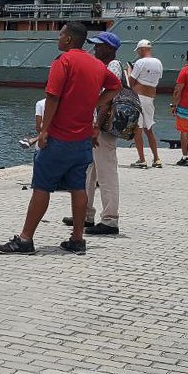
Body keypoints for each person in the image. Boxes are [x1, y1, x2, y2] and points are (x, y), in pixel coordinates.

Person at [0, 22, 121, 255]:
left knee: (42, 187)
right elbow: (116, 87)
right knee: (78, 187)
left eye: (61, 34)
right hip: (82, 139)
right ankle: (77, 239)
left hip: (59, 137)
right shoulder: (97, 65)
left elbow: (52, 98)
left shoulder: (62, 62)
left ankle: (25, 240)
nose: (58, 37)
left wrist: (43, 131)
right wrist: (95, 102)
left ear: (69, 39)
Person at [60, 31, 123, 235]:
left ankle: (110, 219)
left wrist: (96, 125)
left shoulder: (112, 66)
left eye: (99, 45)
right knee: (89, 172)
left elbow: (108, 99)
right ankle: (85, 214)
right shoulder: (104, 66)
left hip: (103, 128)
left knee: (106, 174)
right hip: (96, 126)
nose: (95, 48)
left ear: (110, 49)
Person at [129, 39, 163, 168]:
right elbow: (156, 80)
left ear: (142, 49)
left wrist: (128, 71)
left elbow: (131, 81)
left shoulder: (140, 62)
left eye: (138, 50)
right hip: (150, 99)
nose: (137, 52)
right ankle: (156, 158)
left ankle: (142, 159)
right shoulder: (158, 63)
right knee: (148, 128)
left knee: (137, 129)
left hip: (138, 97)